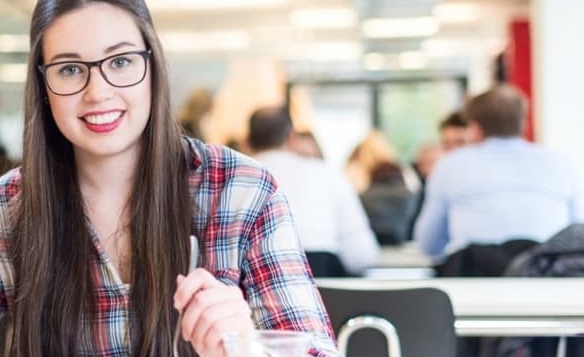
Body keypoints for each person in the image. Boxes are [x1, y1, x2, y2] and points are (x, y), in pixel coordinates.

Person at [0, 0, 353, 357]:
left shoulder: (243, 190)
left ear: (152, 68)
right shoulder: (6, 209)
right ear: (43, 90)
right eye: (69, 69)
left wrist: (249, 355)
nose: (98, 92)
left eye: (121, 62)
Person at [414, 85, 584, 257]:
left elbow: (430, 246)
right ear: (523, 122)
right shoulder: (562, 164)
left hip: (475, 276)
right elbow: (577, 233)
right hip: (546, 274)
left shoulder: (449, 166)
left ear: (474, 129)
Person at [248, 107, 379, 275]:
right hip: (325, 285)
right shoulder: (325, 172)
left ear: (247, 141)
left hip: (254, 289)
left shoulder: (235, 178)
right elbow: (362, 254)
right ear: (291, 138)